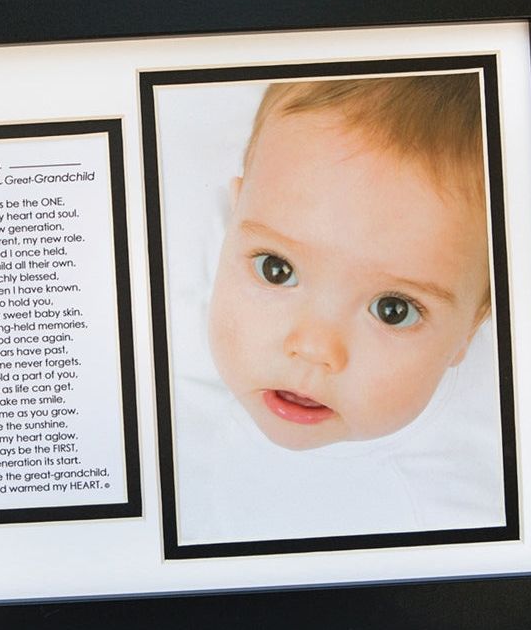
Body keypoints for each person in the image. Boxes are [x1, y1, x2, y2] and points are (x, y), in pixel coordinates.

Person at [166, 72, 505, 546]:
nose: (312, 347)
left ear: (473, 324)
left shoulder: (453, 512)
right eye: (276, 270)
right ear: (235, 214)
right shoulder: (167, 279)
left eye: (393, 310)